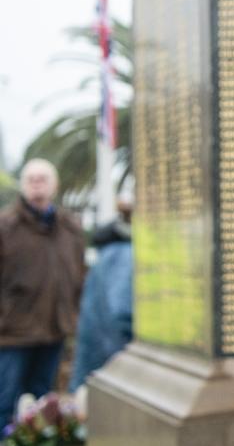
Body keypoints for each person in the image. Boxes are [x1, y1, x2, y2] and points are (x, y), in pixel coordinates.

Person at [0, 159, 87, 421]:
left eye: (43, 178)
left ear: (55, 185)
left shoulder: (70, 227)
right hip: (13, 332)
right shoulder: (6, 226)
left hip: (54, 329)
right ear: (23, 186)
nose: (37, 183)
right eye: (31, 179)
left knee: (41, 404)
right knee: (5, 401)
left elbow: (79, 274)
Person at [70, 193, 134, 391]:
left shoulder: (105, 253)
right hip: (111, 355)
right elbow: (122, 314)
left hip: (94, 351)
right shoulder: (123, 254)